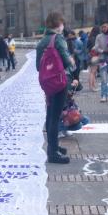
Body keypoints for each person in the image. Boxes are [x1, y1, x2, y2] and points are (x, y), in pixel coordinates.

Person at [36, 12, 75, 164]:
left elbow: (38, 66)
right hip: (59, 82)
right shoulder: (58, 39)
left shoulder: (41, 42)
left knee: (50, 114)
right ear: (59, 25)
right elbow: (67, 62)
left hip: (47, 83)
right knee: (55, 117)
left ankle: (53, 146)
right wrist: (72, 61)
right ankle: (53, 153)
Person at [87, 26, 100, 92]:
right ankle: (91, 87)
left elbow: (87, 47)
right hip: (95, 56)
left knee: (92, 72)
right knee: (93, 72)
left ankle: (93, 86)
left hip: (90, 55)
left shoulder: (89, 38)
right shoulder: (97, 38)